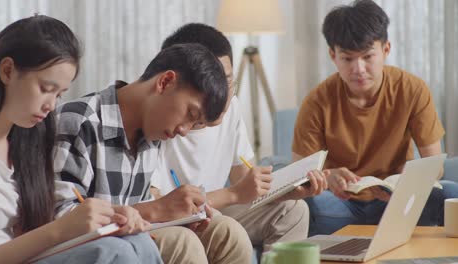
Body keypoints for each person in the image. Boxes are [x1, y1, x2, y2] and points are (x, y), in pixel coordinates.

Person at [53, 42, 253, 263]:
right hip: (90, 249)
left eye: (194, 123)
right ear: (165, 82)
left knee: (225, 233)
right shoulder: (80, 122)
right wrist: (156, 209)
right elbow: (58, 219)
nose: (184, 131)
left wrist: (178, 216)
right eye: (190, 113)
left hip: (131, 239)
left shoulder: (151, 136)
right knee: (181, 243)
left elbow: (141, 210)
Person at [0, 15, 161, 264]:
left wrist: (110, 217)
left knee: (137, 240)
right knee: (115, 252)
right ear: (7, 71)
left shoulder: (26, 145)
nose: (51, 105)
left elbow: (24, 234)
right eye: (46, 88)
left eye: (59, 94)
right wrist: (61, 229)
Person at [150, 23, 329, 252]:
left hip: (216, 210)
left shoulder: (232, 107)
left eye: (227, 80)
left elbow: (245, 182)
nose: (222, 95)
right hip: (172, 220)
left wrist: (284, 191)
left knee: (293, 209)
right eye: (211, 84)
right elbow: (158, 205)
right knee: (220, 226)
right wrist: (233, 194)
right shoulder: (161, 120)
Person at [292, 0, 458, 236]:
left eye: (368, 56)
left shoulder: (412, 90)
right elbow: (298, 172)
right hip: (341, 205)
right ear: (333, 55)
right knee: (303, 206)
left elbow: (436, 166)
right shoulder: (317, 101)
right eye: (347, 59)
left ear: (386, 49)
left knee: (451, 195)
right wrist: (329, 179)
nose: (358, 69)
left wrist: (406, 184)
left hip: (400, 203)